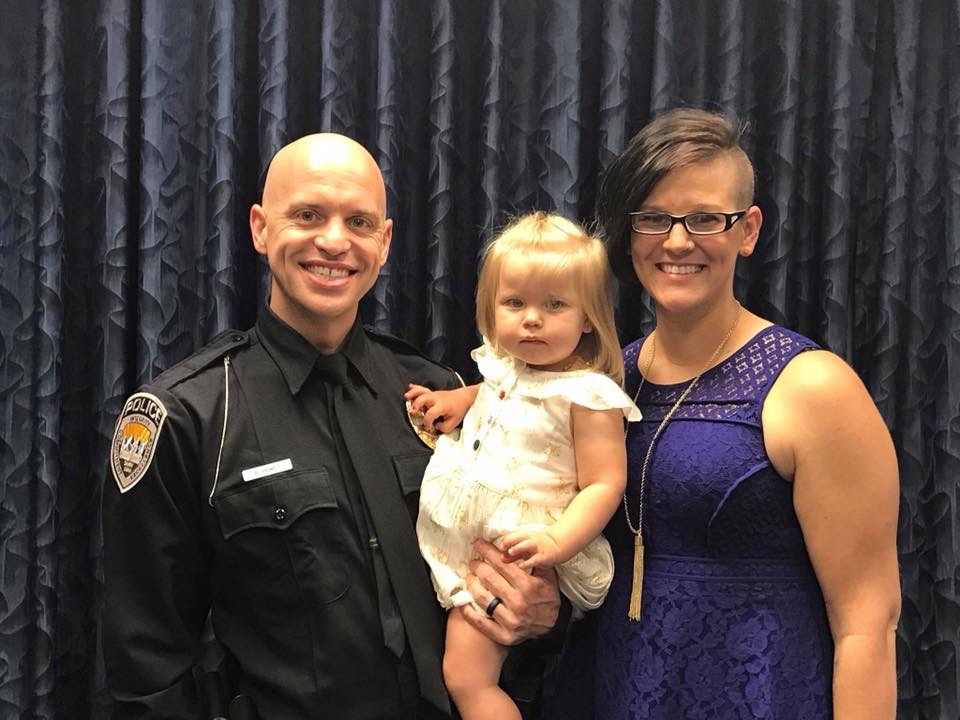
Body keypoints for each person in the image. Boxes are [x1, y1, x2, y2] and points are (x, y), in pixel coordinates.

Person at [101, 133, 563, 719]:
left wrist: (545, 611)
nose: (335, 241)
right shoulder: (189, 416)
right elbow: (148, 670)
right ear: (260, 228)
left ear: (385, 242)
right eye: (308, 215)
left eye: (360, 222)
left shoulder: (443, 393)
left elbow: (530, 535)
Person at [549, 108, 901, 719]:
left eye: (706, 218)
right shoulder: (602, 383)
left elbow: (867, 623)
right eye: (654, 218)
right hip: (610, 693)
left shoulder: (812, 388)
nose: (677, 241)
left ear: (748, 229)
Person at [405, 212, 641, 720]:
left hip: (519, 549)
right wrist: (462, 397)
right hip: (470, 536)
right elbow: (505, 395)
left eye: (554, 304)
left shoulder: (588, 394)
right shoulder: (501, 368)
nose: (531, 318)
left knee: (466, 678)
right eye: (514, 303)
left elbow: (606, 482)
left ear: (587, 317)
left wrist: (556, 545)